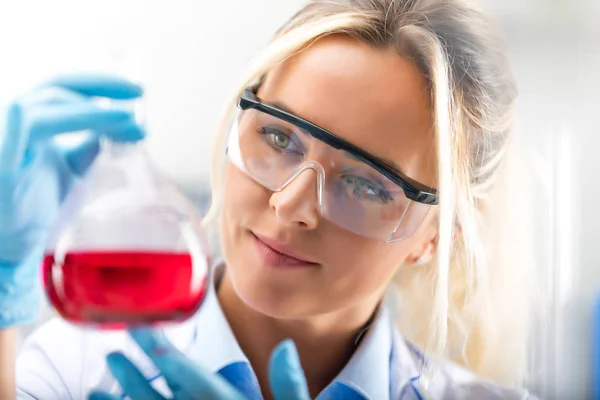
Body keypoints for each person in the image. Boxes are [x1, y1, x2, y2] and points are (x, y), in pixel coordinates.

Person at [0, 0, 538, 398]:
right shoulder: (68, 369)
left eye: (367, 183)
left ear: (434, 237)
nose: (290, 206)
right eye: (279, 138)